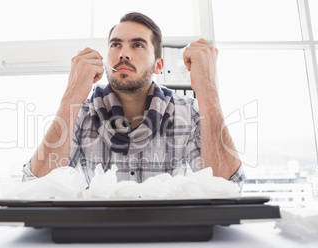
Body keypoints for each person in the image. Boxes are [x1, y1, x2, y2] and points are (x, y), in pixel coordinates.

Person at [22, 12, 245, 186]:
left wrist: (207, 89)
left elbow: (228, 187)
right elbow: (35, 187)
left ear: (158, 65)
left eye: (137, 45)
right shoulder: (82, 112)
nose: (123, 54)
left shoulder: (186, 112)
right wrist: (71, 96)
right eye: (116, 44)